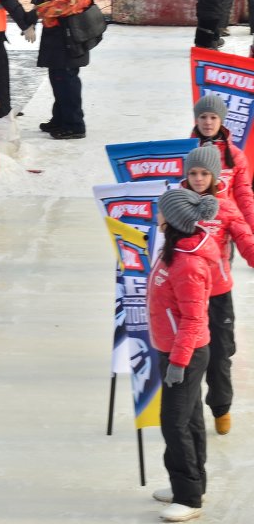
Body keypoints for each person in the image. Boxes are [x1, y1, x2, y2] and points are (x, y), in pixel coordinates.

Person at [147, 187, 220, 523]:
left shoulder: (188, 263)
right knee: (188, 421)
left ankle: (189, 496)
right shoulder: (174, 249)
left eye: (160, 210)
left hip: (185, 355)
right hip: (174, 349)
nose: (155, 213)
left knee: (174, 423)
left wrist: (178, 362)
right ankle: (191, 485)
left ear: (172, 220)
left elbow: (193, 319)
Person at [179, 145, 254, 437]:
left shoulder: (225, 207)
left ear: (214, 175)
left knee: (220, 355)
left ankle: (221, 407)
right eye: (193, 173)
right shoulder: (177, 203)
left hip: (217, 294)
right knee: (188, 355)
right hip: (185, 294)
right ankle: (187, 410)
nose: (198, 178)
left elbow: (245, 238)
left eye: (204, 173)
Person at [29, 0, 92, 140]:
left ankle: (75, 124)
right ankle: (61, 118)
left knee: (66, 77)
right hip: (58, 28)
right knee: (58, 76)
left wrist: (39, 10)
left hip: (67, 31)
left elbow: (70, 1)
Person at [189, 93, 254, 225]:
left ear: (221, 120)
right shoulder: (186, 152)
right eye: (203, 117)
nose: (208, 122)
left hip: (223, 227)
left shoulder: (235, 156)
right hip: (193, 230)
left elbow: (244, 196)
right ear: (197, 119)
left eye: (213, 117)